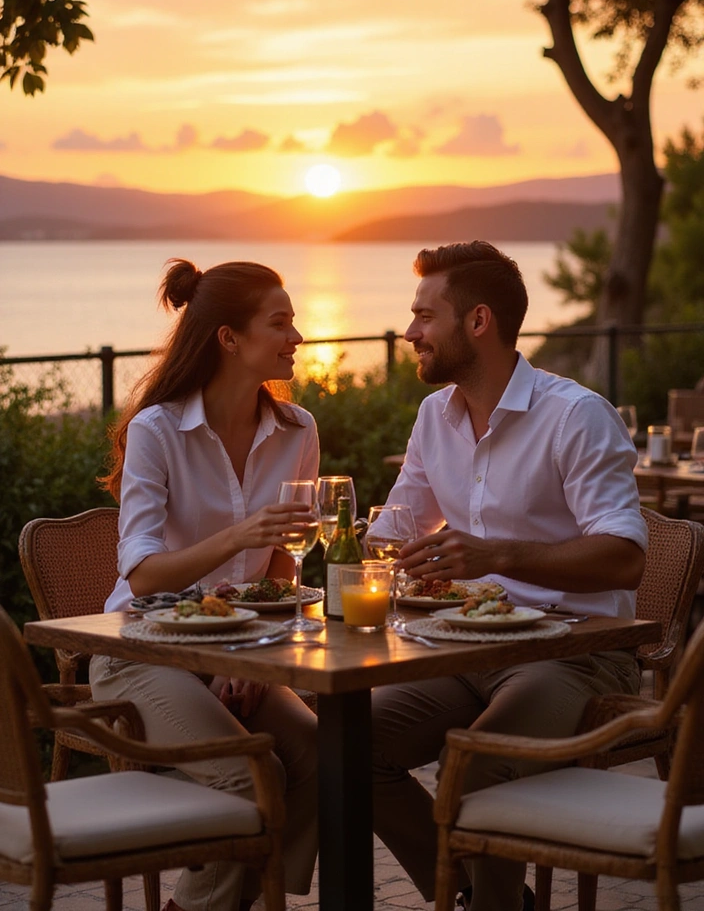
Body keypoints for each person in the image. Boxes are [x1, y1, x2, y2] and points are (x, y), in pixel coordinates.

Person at [371, 241, 647, 911]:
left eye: (423, 315)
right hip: (468, 645)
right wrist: (377, 558)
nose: (409, 331)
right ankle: (482, 895)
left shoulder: (576, 416)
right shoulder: (434, 416)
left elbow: (624, 555)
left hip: (576, 652)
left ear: (478, 322)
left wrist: (498, 556)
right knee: (344, 745)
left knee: (478, 764)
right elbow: (393, 531)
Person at [90, 258, 319, 911]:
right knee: (254, 777)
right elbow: (140, 574)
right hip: (140, 651)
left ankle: (231, 895)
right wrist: (241, 535)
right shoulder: (156, 429)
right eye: (280, 323)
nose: (296, 337)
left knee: (320, 757)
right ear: (229, 338)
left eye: (294, 322)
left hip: (240, 647)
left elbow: (283, 569)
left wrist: (257, 659)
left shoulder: (298, 431)